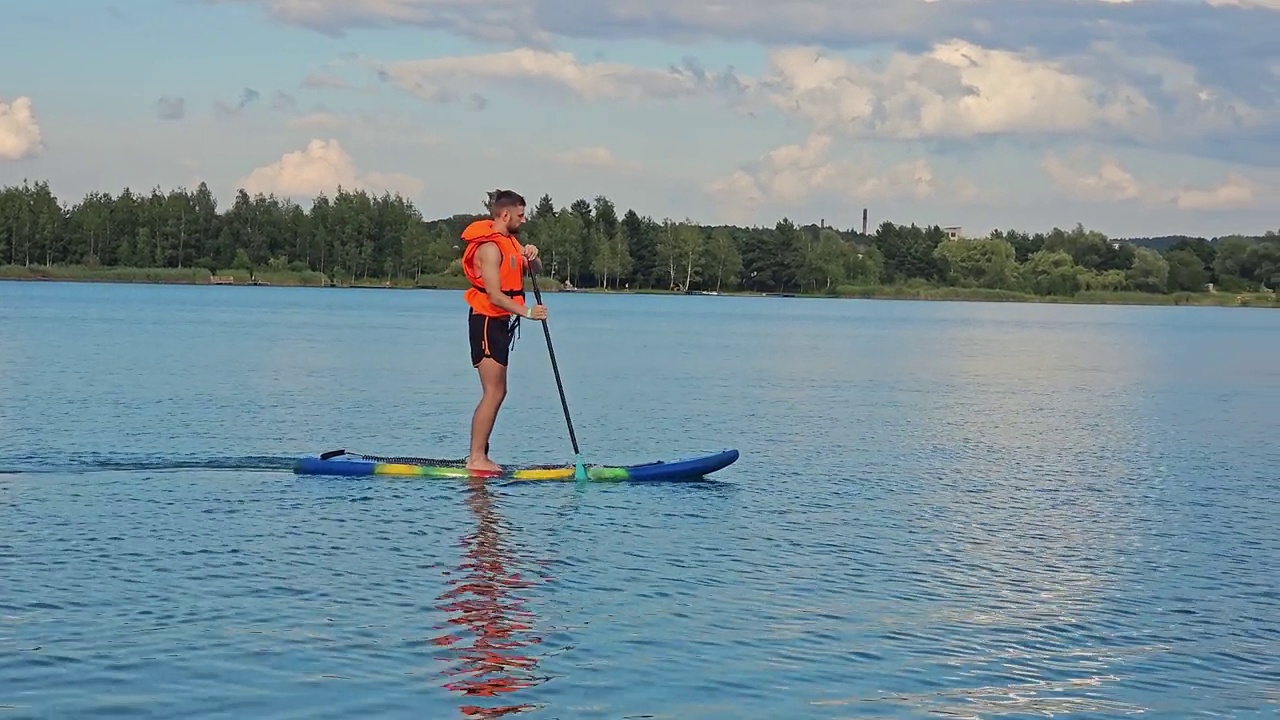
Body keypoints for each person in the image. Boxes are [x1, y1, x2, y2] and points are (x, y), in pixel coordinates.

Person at [459, 189, 546, 473]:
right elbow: (495, 295)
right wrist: (529, 313)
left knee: (499, 390)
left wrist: (532, 256)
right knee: (493, 391)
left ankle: (480, 454)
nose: (524, 220)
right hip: (485, 320)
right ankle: (475, 458)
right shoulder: (489, 248)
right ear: (505, 214)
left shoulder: (510, 243)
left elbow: (535, 268)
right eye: (520, 215)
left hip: (500, 323)